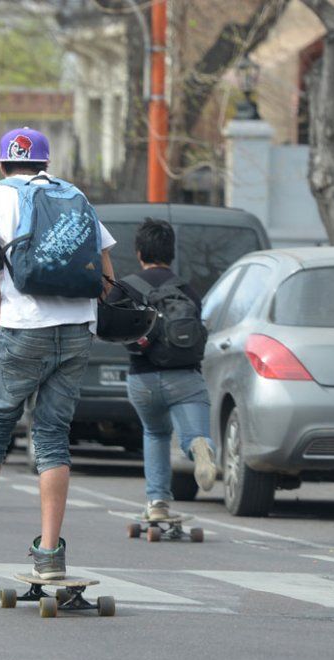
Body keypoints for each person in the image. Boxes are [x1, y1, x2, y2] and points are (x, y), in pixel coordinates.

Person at [0, 128, 116, 580]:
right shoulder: (74, 194)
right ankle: (50, 551)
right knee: (54, 434)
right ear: (45, 163)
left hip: (24, 325)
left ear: (2, 164)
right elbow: (105, 270)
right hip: (78, 327)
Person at [106, 218, 217, 520]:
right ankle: (200, 447)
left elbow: (106, 322)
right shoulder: (186, 289)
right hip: (184, 377)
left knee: (155, 433)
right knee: (192, 434)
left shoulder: (127, 287)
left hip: (142, 379)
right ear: (171, 253)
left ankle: (157, 503)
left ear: (139, 252)